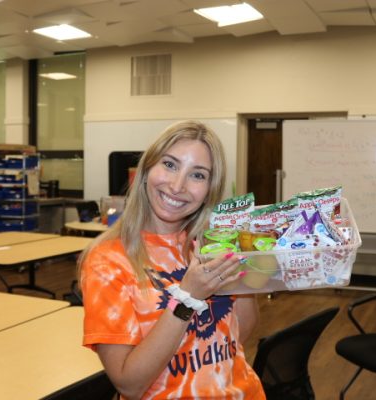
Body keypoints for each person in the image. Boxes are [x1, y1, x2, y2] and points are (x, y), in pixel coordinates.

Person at [80, 120, 265, 400]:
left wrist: (248, 275)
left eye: (198, 175)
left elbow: (236, 338)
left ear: (209, 190)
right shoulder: (108, 261)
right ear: (146, 170)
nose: (178, 186)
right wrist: (188, 297)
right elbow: (129, 384)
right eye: (169, 165)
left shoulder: (210, 244)